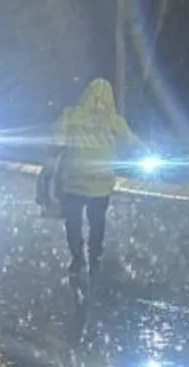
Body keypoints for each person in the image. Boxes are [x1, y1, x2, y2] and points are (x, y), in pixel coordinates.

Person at [49, 78, 142, 280]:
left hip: (73, 181)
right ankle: (94, 258)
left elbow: (56, 139)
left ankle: (77, 258)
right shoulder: (113, 120)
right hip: (100, 183)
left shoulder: (71, 115)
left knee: (73, 222)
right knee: (97, 222)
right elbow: (130, 141)